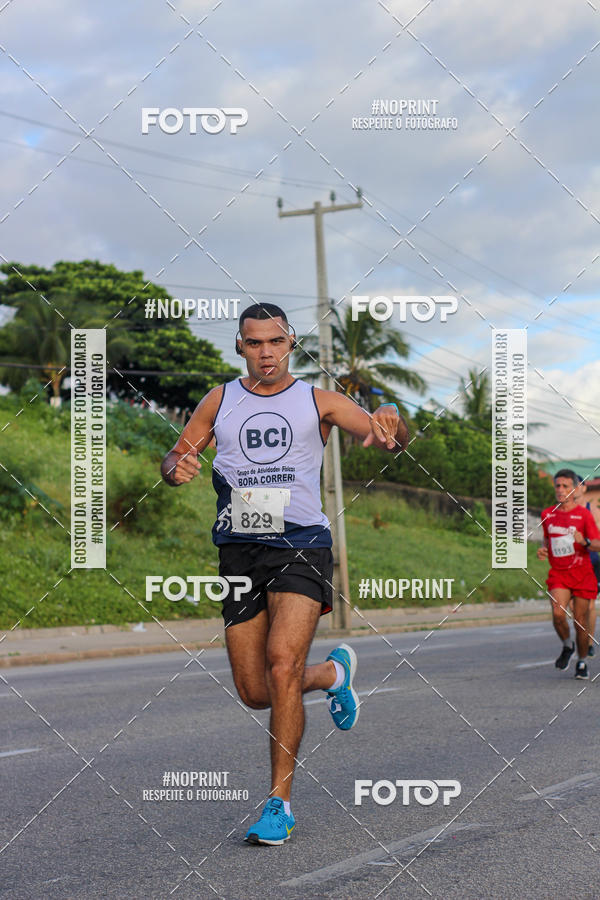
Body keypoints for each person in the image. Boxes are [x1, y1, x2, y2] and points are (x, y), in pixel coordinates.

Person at [160, 302, 409, 844]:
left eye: (275, 342)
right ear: (240, 346)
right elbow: (178, 454)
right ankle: (333, 675)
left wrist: (391, 415)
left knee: (281, 663)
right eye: (254, 343)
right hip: (239, 550)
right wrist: (175, 468)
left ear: (291, 343)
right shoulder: (219, 400)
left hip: (301, 544)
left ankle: (280, 804)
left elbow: (388, 435)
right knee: (256, 690)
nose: (266, 353)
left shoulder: (319, 401)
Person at [537, 469, 600, 679]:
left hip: (582, 573)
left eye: (565, 486)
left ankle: (582, 661)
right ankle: (567, 645)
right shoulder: (547, 514)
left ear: (574, 489)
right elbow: (547, 539)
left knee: (580, 621)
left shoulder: (584, 515)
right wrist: (543, 549)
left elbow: (598, 544)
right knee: (557, 614)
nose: (561, 490)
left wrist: (585, 542)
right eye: (558, 486)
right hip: (559, 573)